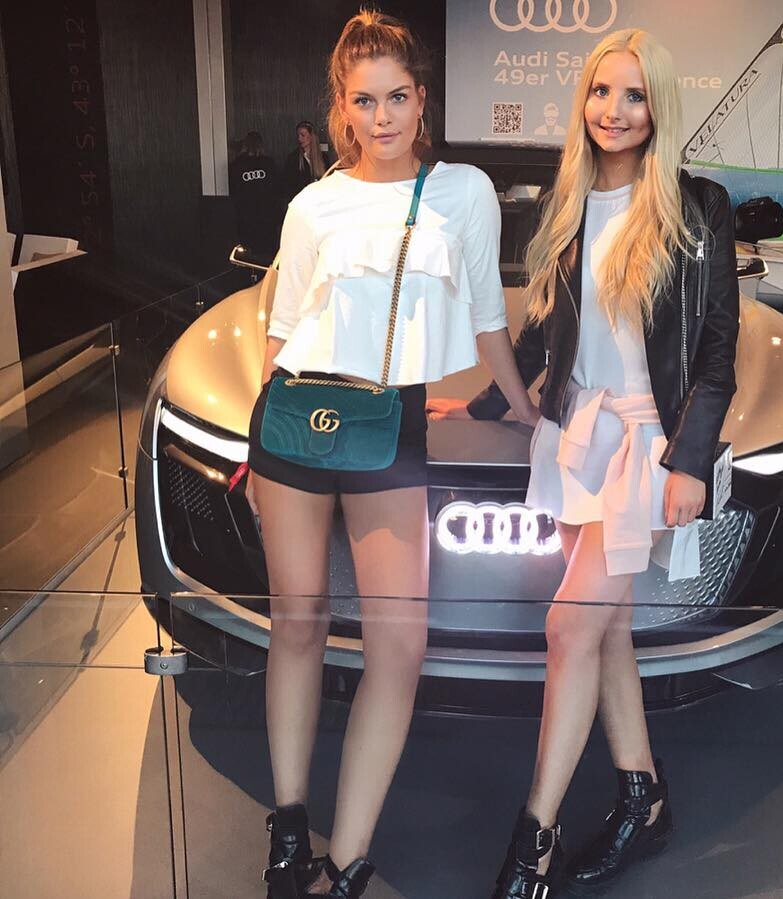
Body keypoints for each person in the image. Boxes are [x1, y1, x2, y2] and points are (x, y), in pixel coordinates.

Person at [428, 28, 739, 898]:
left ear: (658, 106)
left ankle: (533, 836)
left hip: (645, 445)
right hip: (573, 438)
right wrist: (484, 405)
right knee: (602, 627)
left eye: (633, 95)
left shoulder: (697, 207)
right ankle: (642, 796)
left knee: (568, 625)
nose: (614, 110)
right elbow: (542, 328)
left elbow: (716, 351)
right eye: (602, 91)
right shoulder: (565, 201)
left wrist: (688, 460)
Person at [246, 11, 538, 899]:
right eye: (364, 101)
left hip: (389, 423)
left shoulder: (461, 191)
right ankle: (288, 828)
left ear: (422, 100)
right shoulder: (313, 205)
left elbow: (486, 315)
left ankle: (348, 859)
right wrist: (255, 444)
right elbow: (282, 331)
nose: (382, 117)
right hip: (294, 422)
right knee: (296, 621)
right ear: (340, 108)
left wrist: (523, 407)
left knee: (399, 643)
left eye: (397, 97)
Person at [230, 130, 282, 258]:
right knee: (266, 254)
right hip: (267, 216)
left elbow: (234, 191)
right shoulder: (268, 163)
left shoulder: (236, 165)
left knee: (247, 254)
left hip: (246, 216)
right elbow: (276, 189)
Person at [284, 120, 327, 200]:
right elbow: (288, 185)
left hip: (320, 199)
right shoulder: (293, 158)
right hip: (302, 200)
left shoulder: (323, 157)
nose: (299, 139)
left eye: (302, 135)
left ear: (311, 136)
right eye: (298, 136)